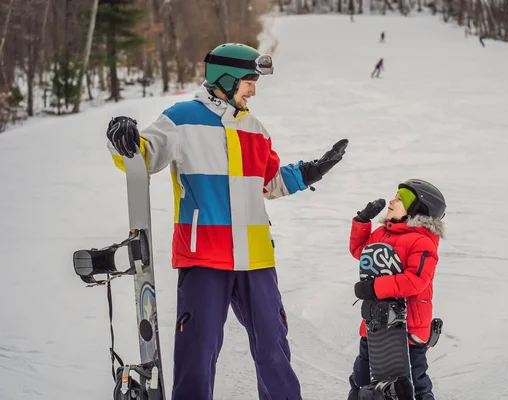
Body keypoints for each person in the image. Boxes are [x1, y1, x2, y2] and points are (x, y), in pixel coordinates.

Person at [105, 43, 349, 400]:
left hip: (256, 259)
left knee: (273, 348)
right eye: (249, 81)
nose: (253, 89)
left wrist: (311, 171)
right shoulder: (182, 119)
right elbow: (142, 154)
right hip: (204, 256)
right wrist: (119, 138)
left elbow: (269, 183)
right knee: (197, 354)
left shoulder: (256, 129)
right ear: (226, 78)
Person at [347, 179, 446, 400]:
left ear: (415, 209)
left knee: (412, 387)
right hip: (375, 326)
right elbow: (362, 253)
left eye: (399, 199)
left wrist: (374, 288)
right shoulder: (383, 234)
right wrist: (362, 221)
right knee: (361, 380)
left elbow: (415, 281)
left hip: (407, 330)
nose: (392, 201)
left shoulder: (422, 242)